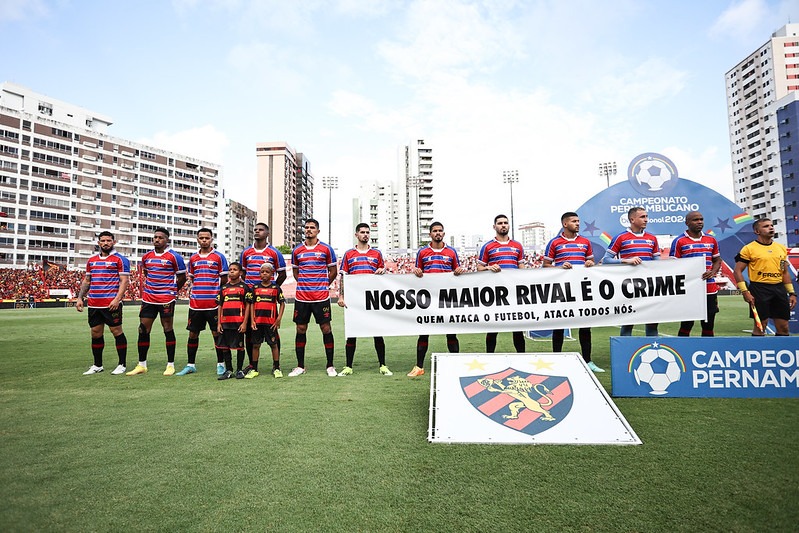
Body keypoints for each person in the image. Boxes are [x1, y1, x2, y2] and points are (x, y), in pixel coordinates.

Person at [543, 212, 603, 372]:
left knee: (585, 325)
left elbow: (590, 262)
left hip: (581, 289)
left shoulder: (585, 242)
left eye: (578, 221)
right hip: (562, 290)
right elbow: (546, 265)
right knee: (560, 324)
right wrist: (559, 267)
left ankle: (588, 361)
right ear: (565, 224)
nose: (578, 224)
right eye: (574, 221)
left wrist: (591, 263)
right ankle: (557, 358)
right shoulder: (554, 242)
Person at [127, 228, 187, 376]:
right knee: (142, 329)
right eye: (155, 237)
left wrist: (172, 291)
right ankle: (141, 365)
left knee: (167, 329)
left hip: (166, 298)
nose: (157, 240)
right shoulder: (147, 257)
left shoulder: (174, 257)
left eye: (160, 237)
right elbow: (147, 273)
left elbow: (182, 277)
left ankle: (170, 365)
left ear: (167, 241)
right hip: (149, 298)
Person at [408, 222, 465, 377]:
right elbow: (417, 271)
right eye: (435, 231)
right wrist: (416, 271)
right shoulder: (422, 252)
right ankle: (419, 367)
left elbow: (456, 271)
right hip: (428, 299)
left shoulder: (451, 252)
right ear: (430, 234)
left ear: (444, 234)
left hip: (446, 299)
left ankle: (456, 365)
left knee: (451, 332)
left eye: (440, 231)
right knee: (424, 332)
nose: (438, 233)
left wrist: (458, 271)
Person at [337, 223, 393, 376]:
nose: (365, 235)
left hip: (372, 300)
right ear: (356, 235)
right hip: (354, 301)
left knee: (377, 333)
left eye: (367, 232)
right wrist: (341, 296)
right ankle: (348, 367)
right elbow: (343, 276)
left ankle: (383, 365)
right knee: (352, 333)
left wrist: (383, 270)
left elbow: (382, 274)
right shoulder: (349, 254)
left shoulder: (376, 254)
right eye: (362, 232)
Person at [288, 218, 338, 377]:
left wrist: (323, 284)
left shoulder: (326, 249)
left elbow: (333, 271)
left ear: (318, 231)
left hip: (321, 297)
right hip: (302, 297)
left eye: (312, 228)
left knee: (326, 329)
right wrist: (305, 284)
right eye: (307, 227)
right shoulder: (297, 251)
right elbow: (296, 272)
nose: (309, 230)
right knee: (301, 329)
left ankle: (330, 366)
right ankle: (300, 366)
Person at [76, 231, 130, 375]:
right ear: (99, 243)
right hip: (94, 303)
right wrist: (80, 297)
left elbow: (124, 281)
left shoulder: (120, 260)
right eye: (103, 241)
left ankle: (122, 364)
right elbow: (87, 281)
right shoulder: (92, 260)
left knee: (116, 331)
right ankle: (97, 365)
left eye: (108, 240)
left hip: (111, 303)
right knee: (95, 333)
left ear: (114, 242)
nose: (106, 243)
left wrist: (117, 299)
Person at [176, 228, 229, 376]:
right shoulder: (193, 259)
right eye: (201, 238)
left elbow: (224, 280)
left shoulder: (219, 257)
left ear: (212, 239)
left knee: (216, 334)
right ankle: (190, 364)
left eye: (207, 238)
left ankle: (221, 364)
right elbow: (192, 278)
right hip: (196, 304)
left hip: (213, 304)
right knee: (193, 334)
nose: (204, 240)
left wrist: (218, 298)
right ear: (197, 239)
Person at [601, 207, 660, 336]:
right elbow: (606, 260)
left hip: (649, 287)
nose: (646, 220)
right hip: (629, 286)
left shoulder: (652, 238)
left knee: (652, 323)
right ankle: (624, 353)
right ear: (632, 219)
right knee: (628, 323)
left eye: (646, 216)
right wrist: (626, 261)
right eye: (642, 217)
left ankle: (653, 348)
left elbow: (658, 263)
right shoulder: (621, 238)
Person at [733, 218, 797, 336]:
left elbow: (784, 272)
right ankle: (758, 352)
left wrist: (792, 293)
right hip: (759, 289)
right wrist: (745, 292)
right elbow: (737, 271)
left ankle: (780, 352)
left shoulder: (781, 248)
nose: (771, 227)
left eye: (771, 225)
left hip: (779, 289)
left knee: (784, 327)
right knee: (761, 326)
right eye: (766, 226)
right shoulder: (749, 249)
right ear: (757, 231)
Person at [240, 223, 287, 374]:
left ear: (267, 233)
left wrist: (270, 289)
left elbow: (282, 274)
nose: (257, 232)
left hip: (267, 299)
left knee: (273, 333)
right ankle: (252, 365)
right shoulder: (246, 252)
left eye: (260, 230)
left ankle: (276, 365)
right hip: (250, 297)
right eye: (255, 229)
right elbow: (242, 273)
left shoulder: (274, 252)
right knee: (249, 330)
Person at [477, 214, 526, 353]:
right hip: (495, 293)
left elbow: (521, 268)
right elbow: (479, 268)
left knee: (517, 328)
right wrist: (488, 267)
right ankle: (489, 357)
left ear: (509, 225)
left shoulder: (517, 246)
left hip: (514, 293)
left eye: (505, 223)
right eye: (500, 223)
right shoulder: (488, 246)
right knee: (493, 328)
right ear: (494, 227)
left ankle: (522, 356)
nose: (503, 225)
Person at [669, 211, 722, 336]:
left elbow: (717, 260)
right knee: (687, 323)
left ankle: (708, 349)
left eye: (701, 219)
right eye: (695, 220)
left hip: (709, 289)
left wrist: (712, 272)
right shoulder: (679, 241)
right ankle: (682, 349)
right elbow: (673, 265)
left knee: (708, 324)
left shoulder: (711, 239)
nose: (699, 222)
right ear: (687, 223)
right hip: (690, 289)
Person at [247, 263, 286, 378]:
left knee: (273, 345)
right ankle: (254, 369)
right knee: (255, 345)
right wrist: (252, 321)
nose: (264, 274)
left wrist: (278, 319)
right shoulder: (255, 287)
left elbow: (282, 303)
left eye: (267, 272)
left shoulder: (275, 288)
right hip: (257, 322)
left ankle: (277, 368)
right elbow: (252, 304)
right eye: (262, 272)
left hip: (271, 323)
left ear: (272, 274)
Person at [216, 262, 251, 379]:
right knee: (225, 347)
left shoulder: (244, 287)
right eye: (230, 269)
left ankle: (239, 370)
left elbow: (248, 306)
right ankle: (229, 370)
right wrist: (219, 322)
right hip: (225, 322)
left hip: (238, 323)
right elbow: (220, 305)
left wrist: (245, 323)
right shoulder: (224, 288)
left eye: (235, 269)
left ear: (240, 272)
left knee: (240, 347)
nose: (231, 271)